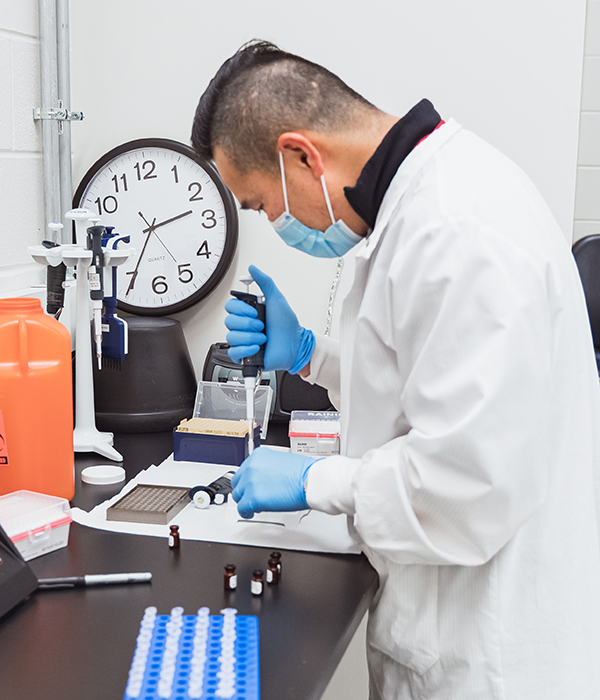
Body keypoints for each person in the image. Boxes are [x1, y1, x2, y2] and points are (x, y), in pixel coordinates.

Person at [192, 41, 600, 699]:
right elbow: (427, 388)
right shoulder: (421, 205)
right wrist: (309, 356)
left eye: (262, 203)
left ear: (301, 155)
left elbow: (464, 486)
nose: (275, 223)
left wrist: (317, 478)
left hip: (491, 658)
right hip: (449, 624)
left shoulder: (461, 230)